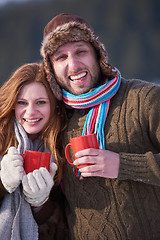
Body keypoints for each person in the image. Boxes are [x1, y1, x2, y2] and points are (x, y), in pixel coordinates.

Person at [40, 13, 160, 240]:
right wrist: (37, 202)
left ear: (97, 53)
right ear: (51, 69)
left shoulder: (144, 99)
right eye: (60, 57)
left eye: (80, 51)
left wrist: (123, 165)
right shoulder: (56, 123)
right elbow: (54, 212)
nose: (73, 65)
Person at [0, 62, 68, 240]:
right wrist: (2, 184)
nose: (30, 112)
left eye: (40, 102)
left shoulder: (62, 146)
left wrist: (40, 204)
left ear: (53, 105)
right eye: (22, 102)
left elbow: (65, 225)